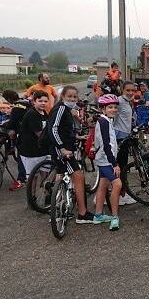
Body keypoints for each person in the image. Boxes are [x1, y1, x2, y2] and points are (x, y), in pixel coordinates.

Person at [48, 85, 93, 223]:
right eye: (69, 96)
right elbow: (53, 129)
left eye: (74, 97)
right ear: (63, 97)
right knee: (78, 175)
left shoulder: (66, 109)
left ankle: (56, 211)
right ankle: (82, 213)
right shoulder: (61, 108)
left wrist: (77, 138)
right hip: (61, 150)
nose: (72, 99)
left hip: (65, 147)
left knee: (62, 177)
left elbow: (64, 129)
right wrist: (61, 148)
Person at [92, 94, 122, 231]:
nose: (113, 109)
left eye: (115, 107)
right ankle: (115, 216)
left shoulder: (105, 121)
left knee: (103, 185)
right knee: (117, 184)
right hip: (106, 161)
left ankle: (98, 215)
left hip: (102, 159)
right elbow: (106, 145)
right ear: (103, 109)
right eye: (110, 107)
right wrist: (114, 163)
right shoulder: (104, 122)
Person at [113, 81, 138, 205]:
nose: (130, 92)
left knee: (122, 166)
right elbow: (113, 118)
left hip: (125, 136)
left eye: (132, 90)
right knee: (120, 166)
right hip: (119, 137)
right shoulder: (118, 101)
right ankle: (119, 195)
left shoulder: (128, 102)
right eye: (128, 90)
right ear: (122, 90)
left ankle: (120, 193)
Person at [0, 90, 30, 190]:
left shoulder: (17, 107)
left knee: (21, 156)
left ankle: (22, 179)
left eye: (6, 99)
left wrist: (3, 125)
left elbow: (12, 123)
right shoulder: (24, 102)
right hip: (31, 132)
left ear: (8, 99)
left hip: (25, 135)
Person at [17, 90, 50, 180]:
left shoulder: (44, 113)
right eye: (40, 101)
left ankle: (45, 193)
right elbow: (40, 134)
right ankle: (32, 194)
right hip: (30, 152)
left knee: (46, 175)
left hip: (41, 150)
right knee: (33, 177)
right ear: (34, 101)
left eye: (45, 101)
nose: (43, 103)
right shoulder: (32, 114)